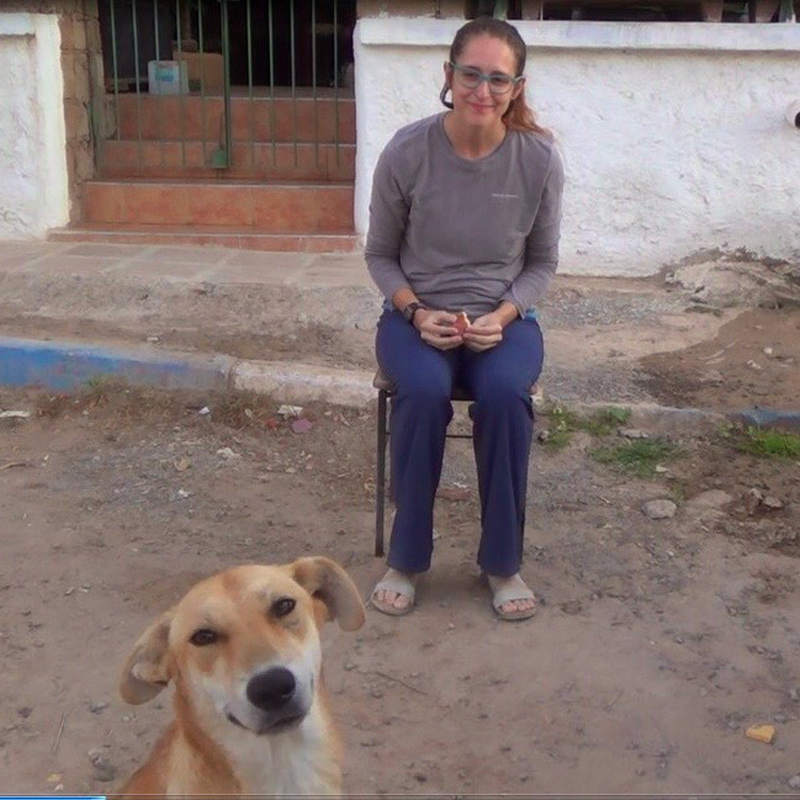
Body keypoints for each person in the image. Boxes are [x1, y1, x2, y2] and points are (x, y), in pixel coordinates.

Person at [365, 16, 565, 621]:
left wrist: (504, 315)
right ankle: (406, 559)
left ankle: (502, 564)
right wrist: (417, 311)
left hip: (504, 322)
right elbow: (379, 254)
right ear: (448, 75)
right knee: (423, 391)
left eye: (498, 79)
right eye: (471, 74)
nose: (483, 90)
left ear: (517, 87)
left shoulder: (538, 160)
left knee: (506, 394)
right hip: (414, 321)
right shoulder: (407, 150)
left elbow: (542, 263)